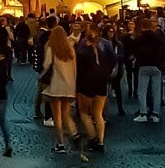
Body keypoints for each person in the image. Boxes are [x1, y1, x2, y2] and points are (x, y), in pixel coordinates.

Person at [76, 24, 116, 154]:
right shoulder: (104, 46)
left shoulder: (82, 48)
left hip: (86, 84)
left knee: (84, 113)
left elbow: (79, 68)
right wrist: (106, 73)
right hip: (101, 82)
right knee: (98, 114)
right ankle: (100, 142)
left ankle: (92, 138)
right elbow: (113, 60)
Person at [42, 25, 78, 154]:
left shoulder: (52, 48)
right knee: (66, 114)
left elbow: (46, 65)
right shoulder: (70, 49)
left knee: (57, 116)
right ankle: (74, 133)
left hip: (56, 86)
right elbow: (75, 69)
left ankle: (60, 144)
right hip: (69, 86)